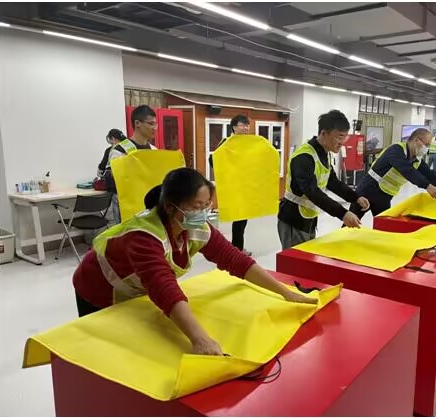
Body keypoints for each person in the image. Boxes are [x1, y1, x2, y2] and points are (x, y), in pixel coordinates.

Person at [73, 167, 316, 356]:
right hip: (98, 287)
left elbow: (235, 259)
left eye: (206, 205)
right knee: (107, 352)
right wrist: (200, 338)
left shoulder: (195, 226)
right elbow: (163, 287)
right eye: (196, 206)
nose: (203, 213)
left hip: (136, 287)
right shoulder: (144, 237)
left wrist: (286, 293)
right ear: (171, 208)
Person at [277, 110, 370, 249]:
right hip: (293, 219)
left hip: (308, 217)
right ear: (324, 134)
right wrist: (343, 213)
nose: (342, 143)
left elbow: (333, 182)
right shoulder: (304, 157)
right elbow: (312, 192)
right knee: (295, 259)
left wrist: (355, 198)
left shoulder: (324, 154)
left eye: (345, 138)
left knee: (307, 257)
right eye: (339, 137)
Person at [349, 128, 436, 220]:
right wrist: (427, 186)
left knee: (384, 228)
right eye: (426, 144)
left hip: (384, 196)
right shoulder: (396, 150)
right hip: (367, 190)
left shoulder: (416, 160)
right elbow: (406, 170)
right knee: (351, 223)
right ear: (416, 140)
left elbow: (432, 176)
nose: (427, 148)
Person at [104, 105, 158, 224]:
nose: (155, 128)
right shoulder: (120, 151)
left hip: (149, 206)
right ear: (137, 123)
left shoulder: (154, 150)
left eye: (155, 124)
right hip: (127, 209)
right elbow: (112, 180)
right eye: (151, 124)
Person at [208, 114, 252, 255]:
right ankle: (237, 250)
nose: (245, 128)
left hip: (245, 185)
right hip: (234, 186)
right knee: (239, 217)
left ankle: (237, 248)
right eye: (242, 125)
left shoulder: (248, 143)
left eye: (247, 125)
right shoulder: (226, 142)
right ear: (234, 127)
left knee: (243, 218)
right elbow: (212, 160)